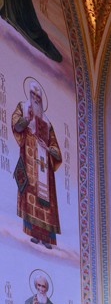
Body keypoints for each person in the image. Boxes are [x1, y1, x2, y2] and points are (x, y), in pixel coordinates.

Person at [13, 81, 62, 248]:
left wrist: (48, 148)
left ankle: (47, 238)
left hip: (45, 166)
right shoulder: (23, 107)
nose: (35, 98)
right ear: (29, 95)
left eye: (38, 96)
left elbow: (56, 149)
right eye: (33, 95)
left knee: (46, 200)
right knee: (31, 194)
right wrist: (27, 119)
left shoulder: (47, 122)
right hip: (29, 160)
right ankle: (33, 232)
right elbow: (16, 126)